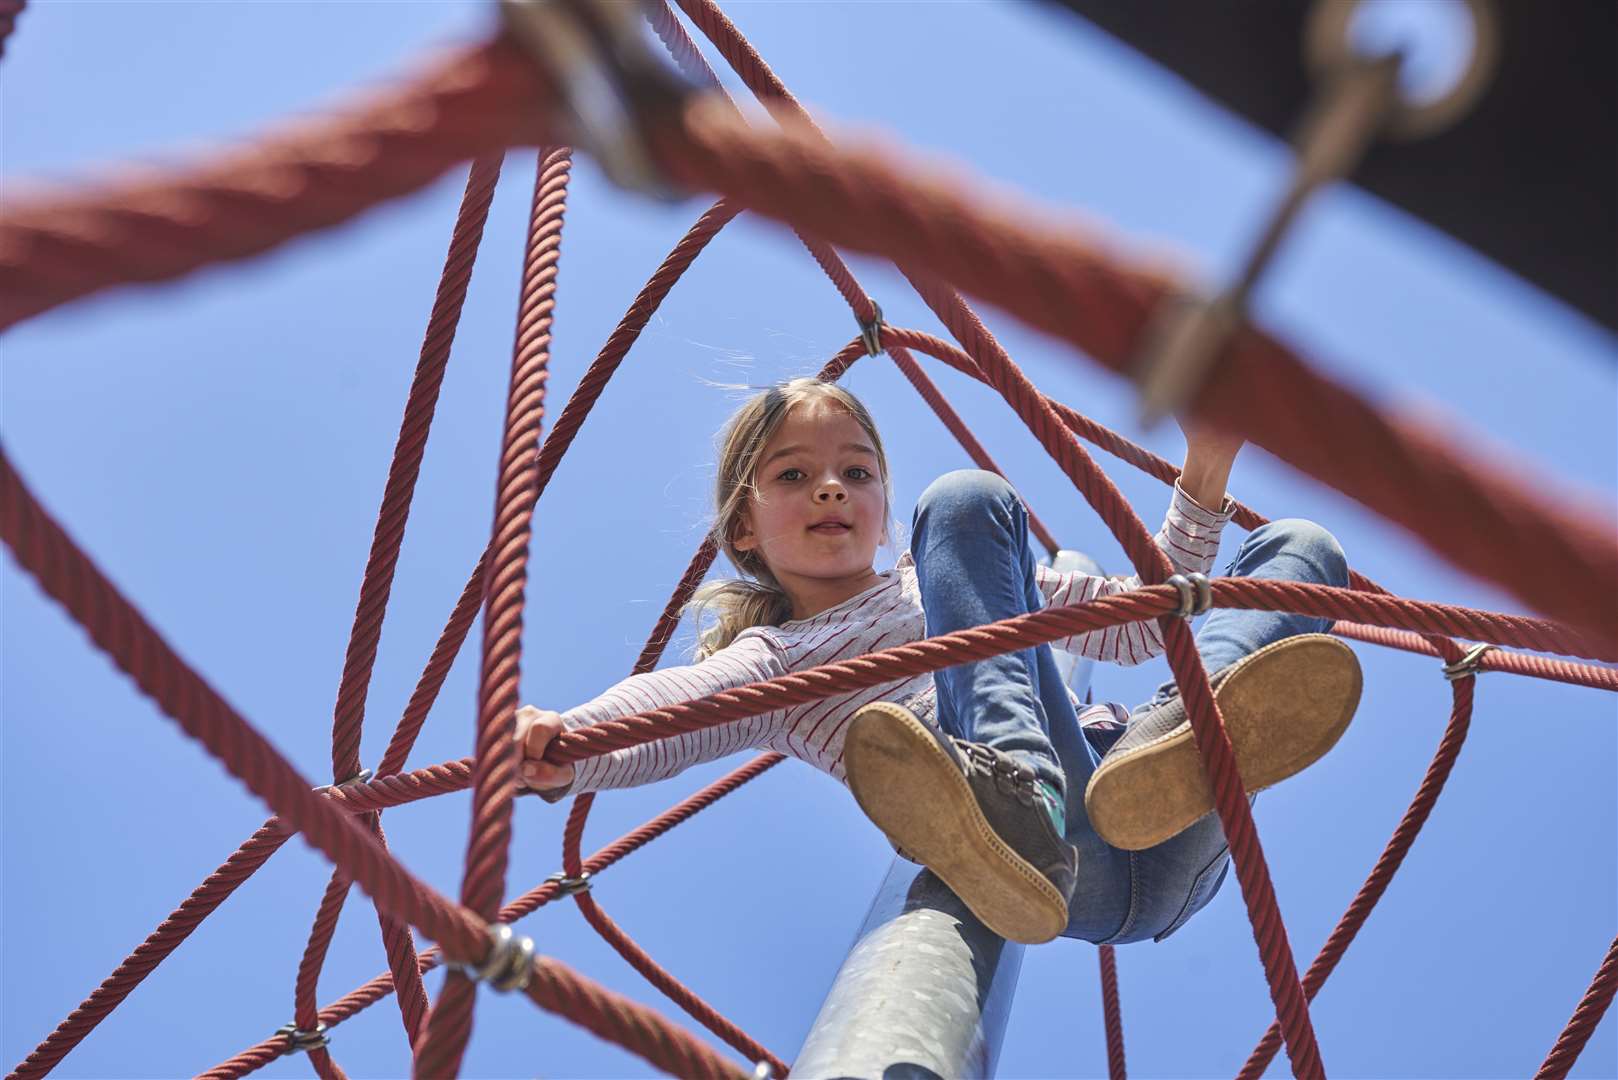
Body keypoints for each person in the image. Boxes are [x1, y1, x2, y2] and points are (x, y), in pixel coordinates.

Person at [515, 377, 1361, 945]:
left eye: (855, 470)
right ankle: (1020, 792)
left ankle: (1185, 738)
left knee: (1302, 546)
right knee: (964, 498)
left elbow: (1144, 626)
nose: (831, 488)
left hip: (1160, 814)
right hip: (1047, 864)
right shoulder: (778, 659)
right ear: (744, 530)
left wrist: (1205, 467)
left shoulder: (947, 584)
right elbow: (677, 707)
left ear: (884, 511)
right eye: (793, 475)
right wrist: (571, 744)